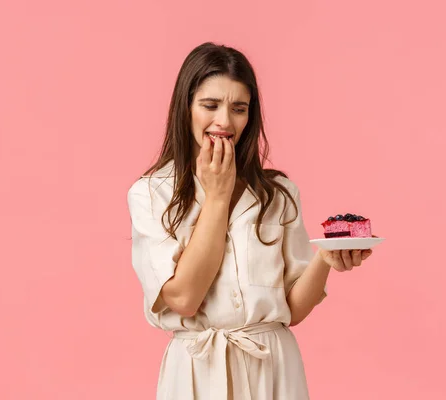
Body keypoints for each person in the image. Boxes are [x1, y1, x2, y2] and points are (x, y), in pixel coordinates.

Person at [127, 42, 373, 400]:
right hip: (198, 372)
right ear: (185, 108)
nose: (224, 121)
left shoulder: (279, 193)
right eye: (210, 105)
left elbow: (292, 309)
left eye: (238, 109)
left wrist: (325, 258)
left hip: (273, 368)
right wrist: (218, 195)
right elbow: (183, 298)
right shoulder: (150, 194)